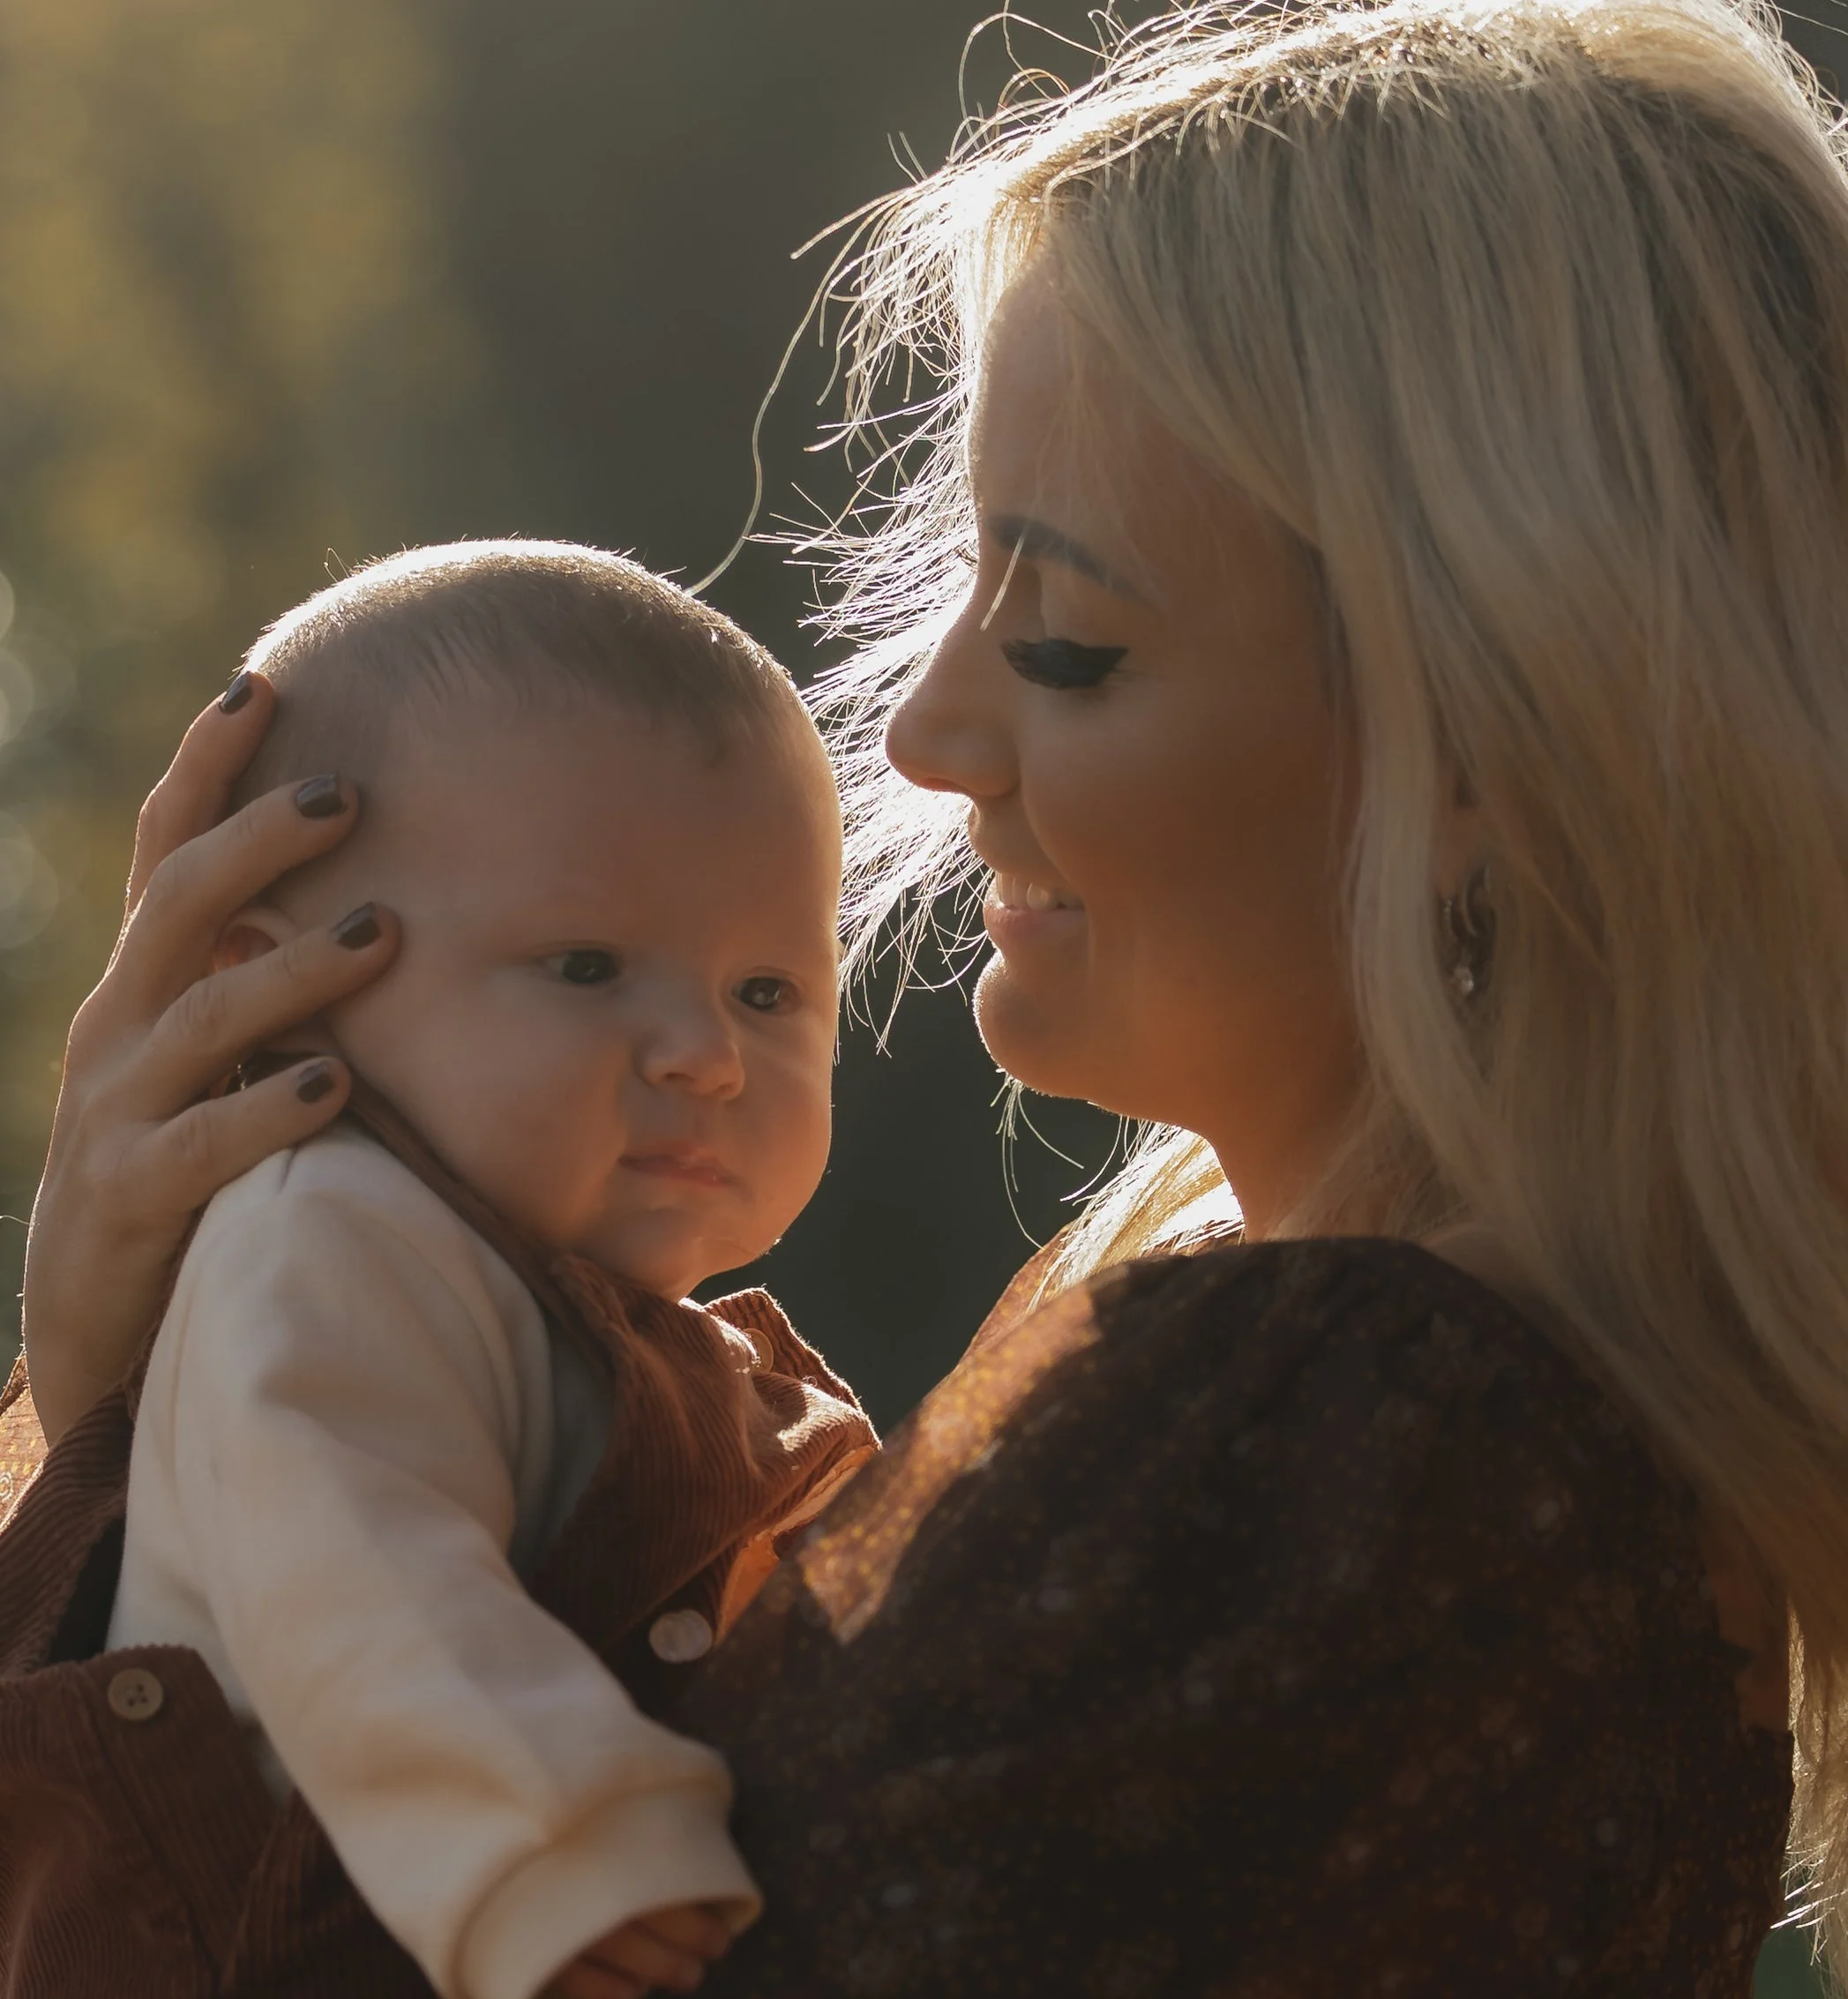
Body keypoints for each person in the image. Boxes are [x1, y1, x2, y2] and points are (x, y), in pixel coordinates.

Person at [13, 0, 1848, 1989]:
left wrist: (128, 1458)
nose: (921, 729)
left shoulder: (1357, 1424)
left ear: (1498, 728)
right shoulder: (1468, 1418)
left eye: (1063, 638)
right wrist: (137, 1430)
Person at [0, 541, 876, 1999]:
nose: (706, 1054)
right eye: (588, 966)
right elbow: (358, 1569)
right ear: (283, 981)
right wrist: (559, 1846)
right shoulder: (330, 1227)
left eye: (767, 989)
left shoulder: (573, 1311)